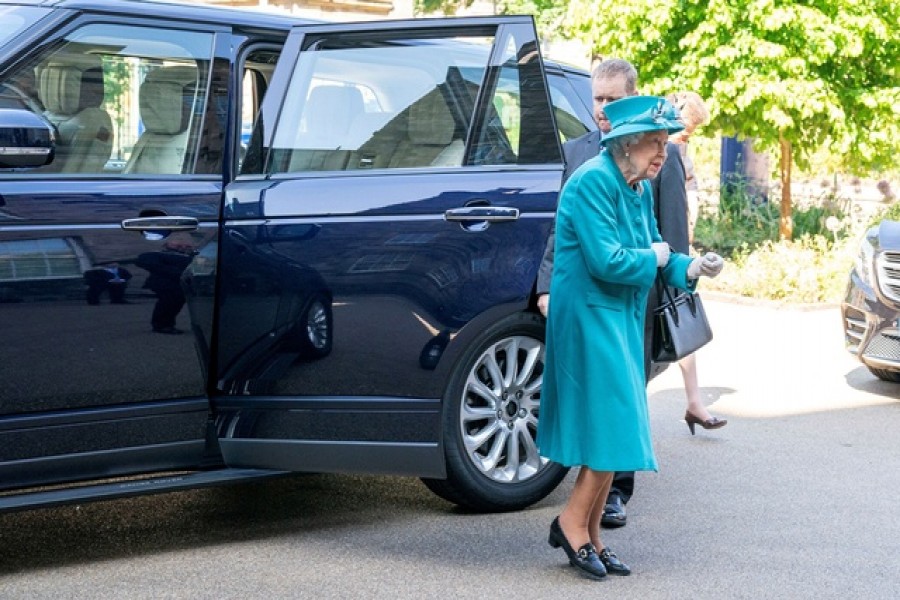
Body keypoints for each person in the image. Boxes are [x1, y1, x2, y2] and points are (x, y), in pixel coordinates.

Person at [537, 95, 724, 580]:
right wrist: (660, 259)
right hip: (588, 317)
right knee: (615, 427)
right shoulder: (592, 182)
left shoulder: (635, 188)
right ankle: (570, 523)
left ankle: (591, 534)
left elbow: (656, 249)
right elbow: (608, 260)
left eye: (664, 142)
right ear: (626, 143)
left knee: (613, 429)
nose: (663, 152)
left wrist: (692, 266)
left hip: (616, 317)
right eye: (655, 143)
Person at [664, 91, 727, 433]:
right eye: (686, 130)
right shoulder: (659, 148)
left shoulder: (678, 150)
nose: (687, 138)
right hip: (666, 248)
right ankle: (693, 403)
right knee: (671, 320)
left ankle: (694, 402)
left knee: (680, 319)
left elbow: (689, 195)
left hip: (679, 248)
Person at [135, 233, 196, 334]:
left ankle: (167, 324)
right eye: (178, 245)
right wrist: (177, 272)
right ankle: (161, 325)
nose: (182, 247)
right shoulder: (158, 254)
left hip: (178, 285)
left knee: (175, 304)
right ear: (167, 245)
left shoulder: (189, 256)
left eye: (186, 246)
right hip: (165, 284)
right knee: (167, 303)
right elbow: (146, 261)